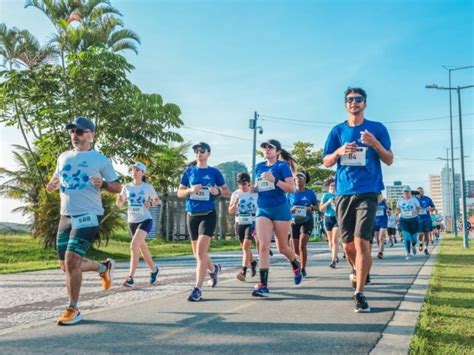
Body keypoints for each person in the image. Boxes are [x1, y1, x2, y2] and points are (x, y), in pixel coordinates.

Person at [323, 87, 393, 313]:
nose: (354, 103)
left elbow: (389, 159)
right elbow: (326, 161)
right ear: (345, 104)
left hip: (369, 191)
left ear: (365, 103)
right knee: (348, 246)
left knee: (362, 242)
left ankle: (359, 293)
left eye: (358, 100)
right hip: (343, 193)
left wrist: (375, 144)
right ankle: (358, 270)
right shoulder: (337, 131)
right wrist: (340, 151)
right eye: (350, 100)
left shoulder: (377, 128)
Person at [46, 116, 121, 325]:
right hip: (66, 215)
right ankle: (103, 268)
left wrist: (104, 184)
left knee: (72, 261)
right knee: (65, 266)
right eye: (72, 131)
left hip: (88, 214)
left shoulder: (100, 160)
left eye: (79, 132)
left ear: (91, 134)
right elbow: (54, 180)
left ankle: (73, 308)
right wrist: (51, 185)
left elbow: (118, 187)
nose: (74, 135)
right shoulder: (63, 157)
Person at [177, 142, 229, 302]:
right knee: (197, 254)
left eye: (202, 151)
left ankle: (197, 289)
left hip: (208, 214)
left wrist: (218, 191)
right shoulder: (189, 171)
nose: (199, 153)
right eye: (196, 151)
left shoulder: (214, 172)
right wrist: (190, 190)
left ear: (208, 153)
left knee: (200, 252)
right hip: (192, 214)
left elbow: (227, 191)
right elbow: (179, 192)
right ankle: (213, 269)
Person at [252, 139, 302, 297]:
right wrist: (252, 188)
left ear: (278, 151)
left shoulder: (282, 166)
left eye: (270, 147)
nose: (266, 149)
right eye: (264, 147)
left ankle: (295, 263)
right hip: (263, 209)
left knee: (282, 247)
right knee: (264, 246)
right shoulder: (259, 167)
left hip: (280, 209)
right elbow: (258, 186)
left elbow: (292, 189)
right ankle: (263, 285)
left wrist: (275, 180)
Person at [116, 162, 161, 287]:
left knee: (134, 245)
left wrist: (151, 204)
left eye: (137, 170)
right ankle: (154, 269)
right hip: (132, 222)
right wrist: (119, 200)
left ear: (143, 173)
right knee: (142, 248)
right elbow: (119, 204)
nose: (134, 172)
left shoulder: (147, 187)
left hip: (145, 220)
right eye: (133, 170)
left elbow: (158, 200)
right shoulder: (127, 187)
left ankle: (130, 277)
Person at [228, 172, 258, 282]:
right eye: (239, 183)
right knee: (244, 248)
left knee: (246, 246)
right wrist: (234, 204)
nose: (242, 185)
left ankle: (243, 271)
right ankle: (253, 262)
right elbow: (230, 211)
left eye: (244, 183)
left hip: (252, 221)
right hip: (239, 222)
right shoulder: (235, 194)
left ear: (248, 183)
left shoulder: (255, 193)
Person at [287, 171, 319, 277]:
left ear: (305, 180)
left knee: (302, 244)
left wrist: (310, 208)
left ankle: (303, 268)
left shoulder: (310, 193)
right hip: (294, 221)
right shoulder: (290, 193)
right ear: (294, 180)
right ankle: (298, 263)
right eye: (296, 178)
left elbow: (317, 206)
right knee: (295, 247)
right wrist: (291, 209)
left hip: (307, 220)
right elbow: (285, 207)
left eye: (301, 178)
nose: (298, 180)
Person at [319, 178, 340, 268]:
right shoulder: (326, 195)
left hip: (337, 218)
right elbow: (321, 209)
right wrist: (328, 202)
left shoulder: (340, 195)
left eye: (334, 186)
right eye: (331, 186)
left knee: (335, 239)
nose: (333, 187)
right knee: (331, 242)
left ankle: (333, 260)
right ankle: (335, 255)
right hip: (328, 218)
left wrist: (336, 207)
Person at [397, 186, 421, 259]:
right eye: (405, 193)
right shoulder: (400, 201)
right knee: (406, 236)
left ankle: (413, 245)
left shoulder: (414, 200)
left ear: (410, 193)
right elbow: (398, 209)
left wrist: (417, 212)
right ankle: (408, 253)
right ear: (403, 193)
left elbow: (418, 208)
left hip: (414, 220)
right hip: (404, 220)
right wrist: (397, 213)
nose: (406, 194)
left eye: (408, 193)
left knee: (414, 238)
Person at [416, 187, 435, 255]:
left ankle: (426, 249)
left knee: (427, 235)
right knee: (420, 234)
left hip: (427, 219)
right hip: (418, 220)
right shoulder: (415, 199)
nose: (421, 192)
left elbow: (433, 207)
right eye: (419, 191)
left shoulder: (428, 199)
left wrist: (429, 209)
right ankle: (420, 243)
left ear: (423, 192)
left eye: (422, 191)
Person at [374, 194, 388, 259]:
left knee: (380, 237)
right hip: (375, 222)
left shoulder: (384, 201)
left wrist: (389, 211)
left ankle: (380, 252)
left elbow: (389, 208)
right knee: (377, 238)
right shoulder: (373, 201)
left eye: (380, 195)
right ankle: (380, 249)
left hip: (383, 221)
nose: (379, 197)